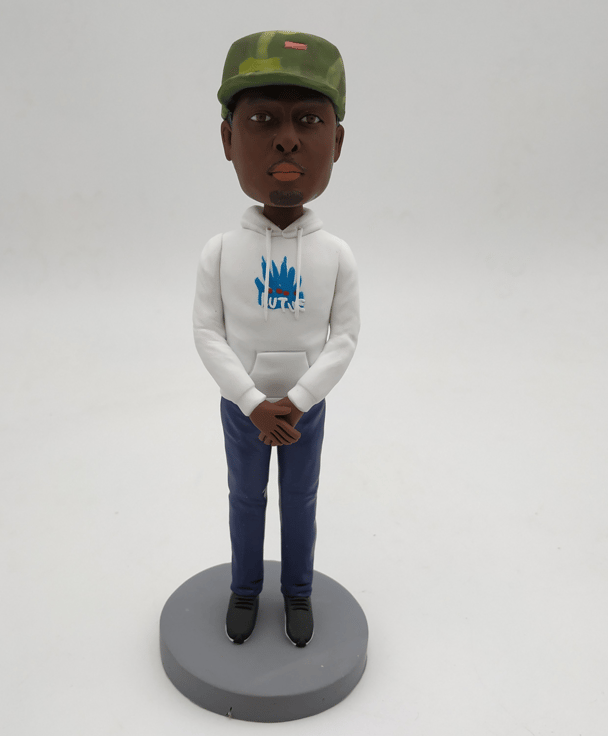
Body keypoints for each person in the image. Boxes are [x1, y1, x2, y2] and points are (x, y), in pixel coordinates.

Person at [193, 31, 360, 647]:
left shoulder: (336, 255)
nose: (287, 139)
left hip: (304, 411)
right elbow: (208, 333)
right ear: (227, 138)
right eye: (262, 119)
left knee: (300, 500)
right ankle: (244, 588)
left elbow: (344, 339)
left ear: (336, 142)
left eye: (309, 120)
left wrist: (299, 400)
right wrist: (251, 402)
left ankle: (297, 593)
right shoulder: (220, 252)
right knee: (245, 499)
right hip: (244, 411)